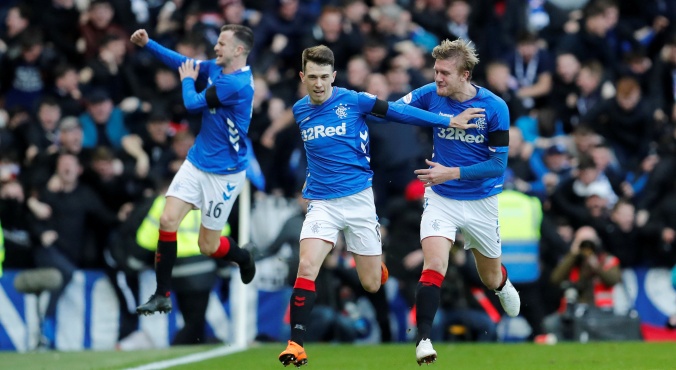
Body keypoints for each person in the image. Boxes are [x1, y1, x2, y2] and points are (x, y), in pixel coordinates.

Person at [277, 45, 479, 367]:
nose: (318, 84)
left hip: (358, 202)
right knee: (307, 266)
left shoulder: (355, 101)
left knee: (371, 284)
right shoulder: (300, 110)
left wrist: (447, 120)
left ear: (334, 77)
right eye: (312, 77)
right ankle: (296, 343)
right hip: (322, 204)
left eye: (324, 77)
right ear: (303, 76)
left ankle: (376, 266)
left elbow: (401, 113)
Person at [402, 38, 520, 365]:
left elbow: (498, 166)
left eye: (444, 73)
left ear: (465, 75)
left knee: (489, 277)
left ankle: (502, 283)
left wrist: (451, 172)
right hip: (441, 199)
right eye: (435, 70)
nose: (437, 78)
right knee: (435, 264)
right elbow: (395, 112)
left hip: (482, 202)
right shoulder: (429, 95)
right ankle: (423, 339)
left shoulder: (495, 107)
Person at [129, 25, 257, 315]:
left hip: (224, 173)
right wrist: (149, 44)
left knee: (208, 246)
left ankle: (244, 256)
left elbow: (191, 103)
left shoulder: (236, 85)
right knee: (167, 220)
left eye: (222, 43)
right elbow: (183, 63)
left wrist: (187, 80)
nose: (216, 48)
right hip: (197, 162)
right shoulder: (217, 68)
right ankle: (162, 294)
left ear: (238, 50)